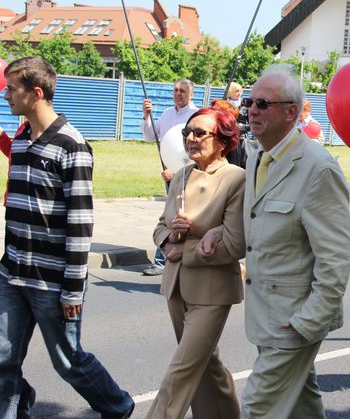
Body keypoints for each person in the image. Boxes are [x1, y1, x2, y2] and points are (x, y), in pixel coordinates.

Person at [0, 56, 134, 419]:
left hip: (51, 281)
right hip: (12, 273)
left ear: (36, 92)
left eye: (12, 89)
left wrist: (73, 288)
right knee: (2, 358)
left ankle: (118, 406)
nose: (6, 95)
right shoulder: (23, 139)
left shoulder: (72, 145)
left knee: (68, 361)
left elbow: (79, 223)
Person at [240, 64, 350, 419]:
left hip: (295, 319)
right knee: (302, 405)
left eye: (262, 103)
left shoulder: (318, 168)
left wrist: (310, 319)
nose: (252, 110)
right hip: (266, 314)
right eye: (249, 101)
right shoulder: (258, 156)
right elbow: (257, 227)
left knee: (259, 407)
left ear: (291, 112)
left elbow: (336, 257)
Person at [147, 108, 244, 419]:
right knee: (206, 365)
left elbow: (234, 243)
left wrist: (183, 251)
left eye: (199, 133)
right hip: (175, 286)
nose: (189, 137)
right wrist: (167, 237)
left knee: (181, 370)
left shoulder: (236, 179)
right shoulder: (181, 176)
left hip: (212, 290)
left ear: (222, 141)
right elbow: (160, 226)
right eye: (187, 131)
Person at [141, 78, 199, 276]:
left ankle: (164, 259)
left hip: (190, 175)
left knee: (182, 216)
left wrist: (177, 172)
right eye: (175, 90)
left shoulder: (196, 116)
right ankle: (166, 258)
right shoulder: (166, 114)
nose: (178, 93)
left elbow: (195, 152)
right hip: (169, 175)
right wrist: (147, 116)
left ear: (191, 94)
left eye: (182, 90)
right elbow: (150, 136)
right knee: (170, 215)